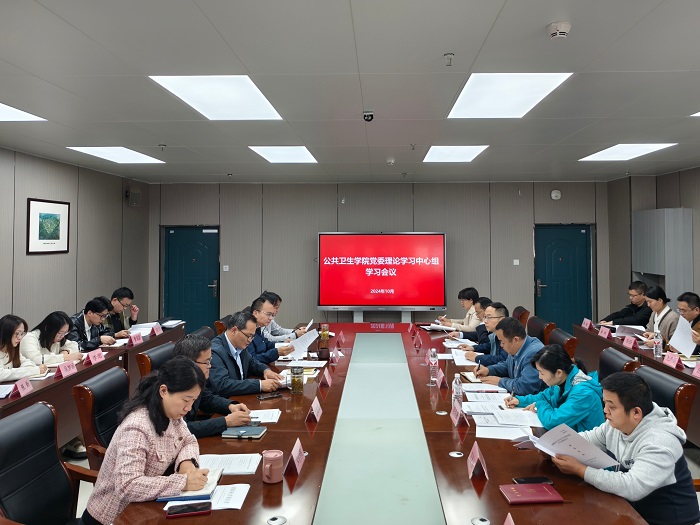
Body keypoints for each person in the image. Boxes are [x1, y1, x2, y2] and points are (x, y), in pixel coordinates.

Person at [551, 373, 700, 525]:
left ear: (636, 412)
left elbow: (632, 486)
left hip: (667, 520)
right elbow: (585, 440)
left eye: (611, 406)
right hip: (630, 510)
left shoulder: (660, 442)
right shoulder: (616, 425)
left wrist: (580, 470)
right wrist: (553, 446)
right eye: (605, 404)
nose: (605, 411)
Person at [79, 356, 209, 525]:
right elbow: (127, 486)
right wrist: (183, 482)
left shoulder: (171, 413)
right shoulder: (137, 427)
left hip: (145, 509)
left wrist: (186, 463)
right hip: (113, 517)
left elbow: (188, 441)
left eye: (193, 401)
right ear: (164, 391)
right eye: (185, 400)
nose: (189, 408)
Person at [505, 344, 603, 432]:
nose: (540, 377)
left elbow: (553, 422)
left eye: (542, 373)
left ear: (558, 372)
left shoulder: (584, 393)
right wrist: (519, 400)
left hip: (584, 443)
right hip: (568, 436)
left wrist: (539, 405)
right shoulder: (562, 380)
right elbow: (544, 396)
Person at [172, 334, 251, 437]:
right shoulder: (173, 387)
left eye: (210, 360)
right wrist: (225, 422)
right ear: (190, 363)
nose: (210, 366)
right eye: (206, 362)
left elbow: (207, 399)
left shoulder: (195, 380)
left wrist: (230, 406)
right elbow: (181, 429)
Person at [209, 310, 285, 397]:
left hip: (240, 395)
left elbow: (251, 362)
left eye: (252, 336)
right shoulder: (215, 351)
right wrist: (260, 385)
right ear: (234, 330)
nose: (250, 340)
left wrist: (265, 370)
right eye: (248, 336)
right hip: (225, 401)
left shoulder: (239, 343)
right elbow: (223, 385)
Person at [475, 317, 545, 395]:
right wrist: (489, 370)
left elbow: (525, 387)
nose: (501, 345)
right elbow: (508, 365)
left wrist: (499, 381)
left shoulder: (533, 353)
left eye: (502, 342)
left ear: (516, 340)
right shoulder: (516, 346)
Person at [246, 296, 293, 364]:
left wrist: (283, 344)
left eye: (272, 315)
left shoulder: (258, 327)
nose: (271, 318)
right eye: (268, 314)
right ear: (256, 313)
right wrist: (276, 353)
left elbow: (266, 344)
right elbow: (252, 360)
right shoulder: (246, 331)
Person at [458, 302, 509, 366]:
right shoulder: (495, 334)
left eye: (489, 317)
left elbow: (502, 359)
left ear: (501, 320)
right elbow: (488, 346)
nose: (485, 321)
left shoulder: (509, 336)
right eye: (485, 317)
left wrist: (477, 358)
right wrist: (473, 348)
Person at [0, 314, 47, 382]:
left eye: (22, 334)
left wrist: (28, 369)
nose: (20, 338)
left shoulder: (12, 348)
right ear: (6, 332)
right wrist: (32, 371)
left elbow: (28, 363)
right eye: (17, 333)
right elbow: (1, 374)